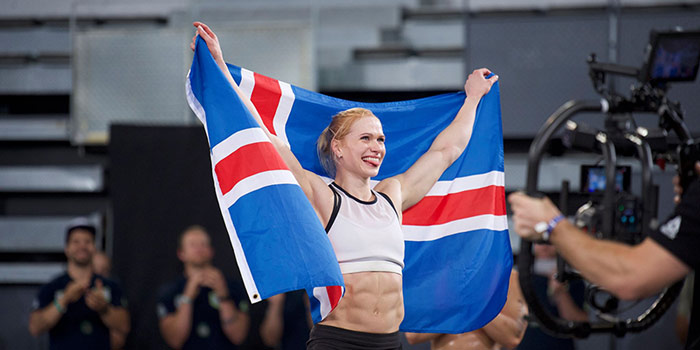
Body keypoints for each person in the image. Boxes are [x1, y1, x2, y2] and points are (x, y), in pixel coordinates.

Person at [190, 21, 498, 350]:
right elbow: (266, 137)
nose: (377, 146)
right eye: (365, 138)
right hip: (338, 341)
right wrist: (221, 66)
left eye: (380, 139)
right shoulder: (321, 197)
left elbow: (445, 151)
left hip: (391, 343)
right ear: (337, 148)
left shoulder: (392, 195)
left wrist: (472, 100)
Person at [508, 161, 700, 349]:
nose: (677, 179)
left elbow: (632, 277)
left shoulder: (576, 281)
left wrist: (551, 225)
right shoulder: (526, 278)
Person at [28, 218, 130, 350]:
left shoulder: (109, 286)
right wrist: (64, 300)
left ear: (94, 248)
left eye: (87, 241)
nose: (82, 246)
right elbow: (35, 328)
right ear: (67, 249)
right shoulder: (53, 287)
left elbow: (124, 326)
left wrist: (103, 308)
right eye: (76, 242)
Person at [157, 225, 250, 349]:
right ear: (181, 253)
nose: (199, 249)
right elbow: (175, 340)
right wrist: (187, 298)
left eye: (203, 244)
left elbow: (238, 337)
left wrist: (224, 296)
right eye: (193, 245)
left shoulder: (233, 287)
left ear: (211, 251)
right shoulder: (170, 291)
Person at [404, 270, 528, 350]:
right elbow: (413, 335)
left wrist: (473, 302)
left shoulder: (506, 275)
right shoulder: (436, 275)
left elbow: (512, 338)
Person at [517, 244, 587, 350]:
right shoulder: (518, 278)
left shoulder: (573, 279)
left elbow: (580, 323)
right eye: (539, 242)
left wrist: (560, 293)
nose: (544, 247)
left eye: (549, 242)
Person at [91, 250, 127, 350]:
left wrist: (103, 308)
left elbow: (118, 340)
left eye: (104, 271)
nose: (99, 276)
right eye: (94, 270)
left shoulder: (115, 293)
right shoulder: (73, 292)